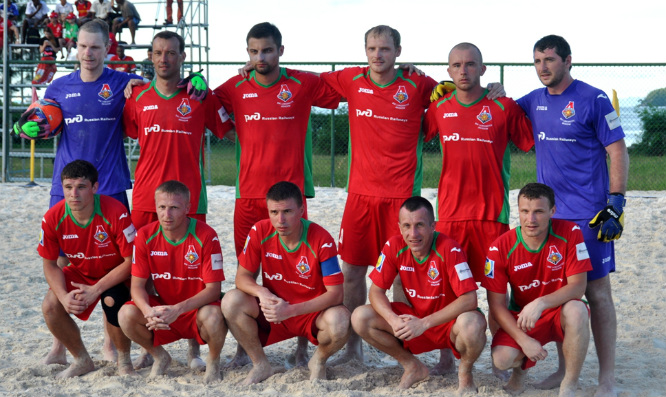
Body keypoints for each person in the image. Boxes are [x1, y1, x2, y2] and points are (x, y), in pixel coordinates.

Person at [13, 19, 143, 365]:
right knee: (62, 262)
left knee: (112, 264)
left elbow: (157, 89)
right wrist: (32, 125)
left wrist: (138, 85)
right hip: (65, 187)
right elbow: (42, 122)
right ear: (76, 47)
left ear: (107, 47)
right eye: (83, 46)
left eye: (96, 47)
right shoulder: (58, 87)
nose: (89, 53)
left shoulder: (122, 82)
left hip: (110, 186)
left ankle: (107, 342)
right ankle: (60, 346)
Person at [213, 22, 340, 366]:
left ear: (281, 51)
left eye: (267, 50)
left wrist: (407, 71)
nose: (260, 57)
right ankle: (245, 344)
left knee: (303, 272)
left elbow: (353, 86)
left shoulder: (303, 82)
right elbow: (207, 108)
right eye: (253, 51)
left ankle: (302, 341)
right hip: (249, 196)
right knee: (247, 273)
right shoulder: (235, 86)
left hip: (289, 199)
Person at [516, 35, 629, 397]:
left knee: (597, 294)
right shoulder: (533, 101)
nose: (542, 67)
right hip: (551, 218)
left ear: (567, 61)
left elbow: (617, 151)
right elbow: (495, 109)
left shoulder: (592, 99)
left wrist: (616, 203)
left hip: (589, 219)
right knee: (563, 296)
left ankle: (606, 379)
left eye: (549, 60)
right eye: (537, 61)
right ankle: (566, 371)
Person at [424, 42, 534, 378]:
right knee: (447, 289)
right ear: (448, 71)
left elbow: (531, 141)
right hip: (451, 216)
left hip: (491, 217)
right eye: (456, 65)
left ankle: (503, 353)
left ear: (483, 69)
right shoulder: (440, 108)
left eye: (470, 64)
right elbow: (407, 131)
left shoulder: (502, 106)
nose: (463, 71)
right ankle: (445, 355)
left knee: (496, 290)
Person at [221, 181, 350, 384]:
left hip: (309, 314)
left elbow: (336, 294)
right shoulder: (259, 231)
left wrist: (290, 310)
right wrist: (262, 293)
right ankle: (261, 364)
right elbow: (241, 277)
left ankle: (318, 361)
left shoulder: (321, 239)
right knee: (231, 300)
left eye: (287, 211)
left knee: (341, 321)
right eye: (274, 212)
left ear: (301, 210)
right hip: (273, 310)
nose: (280, 220)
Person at [352, 196, 486, 392]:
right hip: (414, 319)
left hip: (448, 323)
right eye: (407, 226)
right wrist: (393, 320)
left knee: (472, 325)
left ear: (433, 226)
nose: (413, 233)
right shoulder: (393, 246)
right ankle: (412, 366)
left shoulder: (449, 248)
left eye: (420, 225)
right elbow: (375, 292)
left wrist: (424, 323)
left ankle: (465, 373)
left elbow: (470, 299)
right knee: (359, 317)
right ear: (399, 227)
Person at [482, 182, 592, 397]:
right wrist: (524, 340)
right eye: (525, 211)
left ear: (552, 211)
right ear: (518, 210)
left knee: (577, 310)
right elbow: (496, 305)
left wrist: (540, 303)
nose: (530, 219)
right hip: (523, 317)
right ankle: (520, 373)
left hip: (558, 311)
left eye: (538, 212)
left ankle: (568, 384)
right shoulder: (500, 247)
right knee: (502, 359)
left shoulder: (571, 232)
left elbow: (578, 287)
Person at [123, 30, 233, 232]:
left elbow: (231, 133)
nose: (163, 59)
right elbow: (122, 132)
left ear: (183, 57)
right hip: (147, 197)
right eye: (158, 53)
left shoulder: (200, 96)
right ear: (151, 56)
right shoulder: (136, 95)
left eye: (171, 53)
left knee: (190, 262)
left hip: (189, 198)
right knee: (141, 259)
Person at [118, 180, 227, 382]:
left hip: (197, 309)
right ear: (155, 207)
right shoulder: (145, 235)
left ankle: (213, 361)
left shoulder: (207, 235)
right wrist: (148, 311)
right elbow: (137, 286)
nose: (166, 215)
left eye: (174, 208)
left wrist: (178, 309)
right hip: (165, 309)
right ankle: (159, 357)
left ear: (188, 208)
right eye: (162, 207)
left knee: (214, 316)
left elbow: (213, 290)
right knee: (126, 313)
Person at [38, 160, 137, 378]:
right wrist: (64, 297)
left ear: (94, 187)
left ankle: (124, 362)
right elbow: (49, 264)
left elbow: (131, 261)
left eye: (81, 187)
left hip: (115, 272)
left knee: (112, 301)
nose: (74, 194)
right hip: (81, 272)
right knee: (51, 306)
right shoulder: (52, 217)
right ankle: (82, 360)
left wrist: (97, 289)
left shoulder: (116, 211)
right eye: (68, 187)